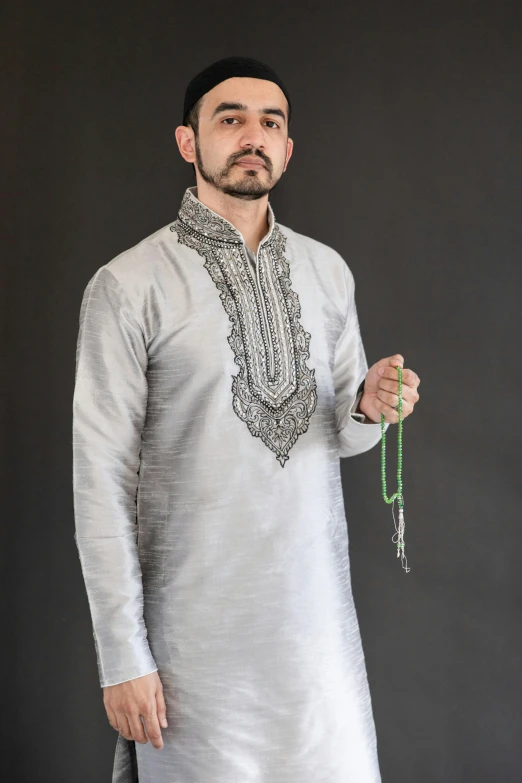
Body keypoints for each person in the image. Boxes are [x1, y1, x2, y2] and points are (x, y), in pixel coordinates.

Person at [72, 55, 421, 783]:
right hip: (193, 650)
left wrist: (367, 408)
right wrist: (121, 657)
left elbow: (338, 438)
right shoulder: (128, 284)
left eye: (271, 122)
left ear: (289, 149)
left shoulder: (328, 272)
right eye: (229, 119)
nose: (252, 136)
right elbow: (100, 477)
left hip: (317, 639)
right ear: (188, 142)